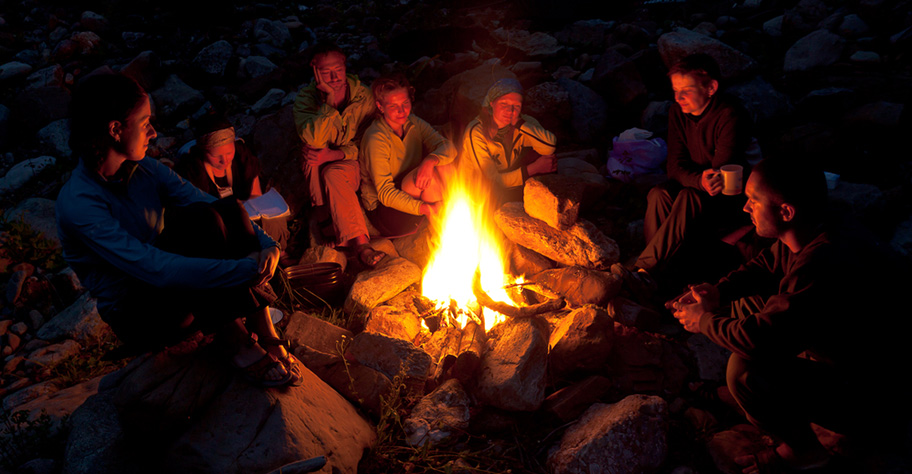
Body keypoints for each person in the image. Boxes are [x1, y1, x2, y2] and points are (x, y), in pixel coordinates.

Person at [56, 73, 301, 388]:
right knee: (198, 233)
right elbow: (154, 269)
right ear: (115, 129)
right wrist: (242, 270)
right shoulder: (80, 204)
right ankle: (236, 342)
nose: (154, 132)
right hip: (141, 311)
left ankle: (265, 332)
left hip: (176, 284)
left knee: (217, 211)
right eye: (145, 123)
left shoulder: (145, 170)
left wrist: (268, 246)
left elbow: (211, 204)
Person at [670, 158, 910, 472]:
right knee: (749, 308)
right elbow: (766, 263)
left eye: (754, 201)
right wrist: (717, 292)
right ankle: (776, 401)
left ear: (786, 212)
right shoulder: (819, 223)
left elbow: (758, 340)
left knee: (743, 370)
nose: (745, 208)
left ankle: (804, 450)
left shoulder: (823, 263)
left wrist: (702, 321)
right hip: (853, 353)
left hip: (879, 398)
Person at [632, 53, 755, 289]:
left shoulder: (730, 115)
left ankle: (645, 271)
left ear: (711, 87)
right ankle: (656, 274)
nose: (679, 97)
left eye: (686, 90)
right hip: (697, 185)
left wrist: (700, 181)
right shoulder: (677, 113)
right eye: (675, 90)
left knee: (689, 197)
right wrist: (698, 179)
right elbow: (674, 165)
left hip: (729, 198)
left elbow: (721, 173)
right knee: (658, 193)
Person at [293, 43, 384, 266]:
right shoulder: (306, 99)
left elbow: (368, 143)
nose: (334, 77)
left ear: (345, 65)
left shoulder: (363, 97)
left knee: (332, 171)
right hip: (322, 165)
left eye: (338, 70)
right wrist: (330, 103)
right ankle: (326, 217)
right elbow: (313, 140)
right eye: (325, 72)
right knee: (311, 152)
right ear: (314, 71)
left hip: (355, 165)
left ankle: (361, 244)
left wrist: (334, 155)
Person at [359, 74, 457, 237]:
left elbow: (448, 147)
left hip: (408, 186)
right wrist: (427, 209)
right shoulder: (376, 138)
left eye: (405, 103)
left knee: (445, 164)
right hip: (386, 211)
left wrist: (430, 160)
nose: (401, 111)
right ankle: (445, 233)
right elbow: (385, 193)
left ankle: (452, 217)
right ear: (380, 107)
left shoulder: (413, 122)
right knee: (430, 180)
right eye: (393, 106)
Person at [178, 113, 290, 253]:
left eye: (229, 153)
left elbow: (256, 196)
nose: (224, 161)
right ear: (203, 151)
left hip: (249, 216)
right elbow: (200, 213)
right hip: (217, 225)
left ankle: (278, 253)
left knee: (272, 218)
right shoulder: (193, 169)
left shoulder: (242, 156)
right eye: (216, 156)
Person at [462, 78, 557, 204]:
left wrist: (518, 123)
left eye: (516, 106)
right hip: (480, 191)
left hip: (509, 178)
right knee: (490, 191)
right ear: (492, 103)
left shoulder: (523, 122)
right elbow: (491, 180)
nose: (510, 111)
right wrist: (533, 169)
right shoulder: (476, 131)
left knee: (544, 155)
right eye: (504, 104)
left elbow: (549, 146)